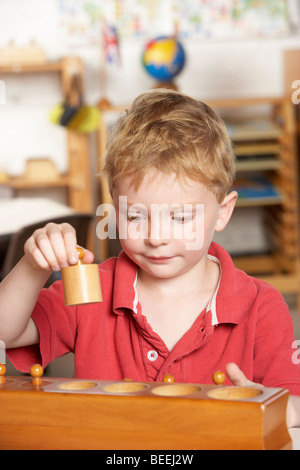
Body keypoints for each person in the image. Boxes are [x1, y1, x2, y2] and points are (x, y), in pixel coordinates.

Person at [0, 89, 300, 427]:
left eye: (181, 217)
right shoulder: (92, 290)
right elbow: (6, 332)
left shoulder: (262, 307)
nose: (156, 237)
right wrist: (33, 266)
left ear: (222, 212)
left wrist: (271, 408)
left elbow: (295, 408)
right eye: (135, 216)